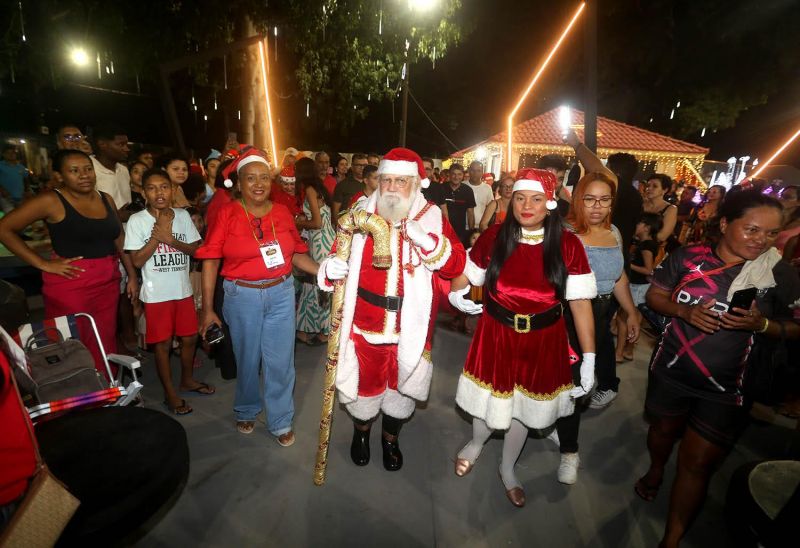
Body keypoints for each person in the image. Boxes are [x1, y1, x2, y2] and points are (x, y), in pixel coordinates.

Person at [636, 190, 800, 548]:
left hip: (729, 389)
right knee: (662, 432)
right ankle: (656, 468)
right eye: (752, 229)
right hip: (671, 371)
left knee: (696, 464)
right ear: (725, 224)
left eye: (772, 234)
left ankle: (671, 540)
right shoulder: (688, 256)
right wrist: (684, 311)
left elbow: (794, 327)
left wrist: (762, 325)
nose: (761, 241)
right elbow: (654, 296)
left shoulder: (780, 273)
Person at [448, 168, 597, 505]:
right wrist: (456, 295)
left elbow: (581, 303)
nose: (527, 206)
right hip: (496, 334)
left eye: (536, 199)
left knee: (524, 408)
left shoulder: (568, 244)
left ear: (550, 204)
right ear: (510, 200)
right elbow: (467, 274)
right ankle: (476, 443)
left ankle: (507, 467)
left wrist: (589, 358)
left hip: (544, 340)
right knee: (487, 399)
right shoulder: (495, 235)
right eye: (520, 198)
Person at [318, 147, 466, 471]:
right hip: (365, 324)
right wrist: (330, 269)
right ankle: (361, 433)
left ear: (415, 183)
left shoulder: (432, 217)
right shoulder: (359, 213)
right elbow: (335, 253)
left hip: (410, 327)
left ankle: (390, 439)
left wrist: (427, 241)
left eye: (401, 180)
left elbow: (456, 263)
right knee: (365, 387)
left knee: (401, 390)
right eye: (387, 180)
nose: (392, 187)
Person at [197, 149, 318, 446]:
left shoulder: (282, 213)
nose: (259, 184)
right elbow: (210, 260)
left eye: (264, 177)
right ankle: (246, 408)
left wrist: (325, 271)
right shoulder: (226, 213)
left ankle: (280, 420)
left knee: (281, 362)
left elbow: (296, 254)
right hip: (242, 296)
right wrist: (208, 309)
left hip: (281, 292)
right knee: (248, 358)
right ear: (239, 183)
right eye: (250, 178)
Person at [0, 150, 137, 373]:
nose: (84, 175)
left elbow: (119, 238)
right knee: (73, 342)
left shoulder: (105, 198)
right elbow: (4, 229)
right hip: (72, 282)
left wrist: (131, 274)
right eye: (74, 170)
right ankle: (76, 390)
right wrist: (43, 264)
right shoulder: (51, 200)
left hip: (108, 279)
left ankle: (105, 386)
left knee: (104, 338)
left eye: (88, 169)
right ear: (60, 175)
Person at [124, 169, 212, 415]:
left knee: (190, 338)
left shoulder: (183, 215)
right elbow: (137, 260)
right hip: (157, 295)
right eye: (151, 188)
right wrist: (158, 236)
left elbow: (197, 251)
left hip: (182, 290)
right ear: (144, 193)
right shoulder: (137, 221)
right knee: (162, 344)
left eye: (164, 187)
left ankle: (187, 380)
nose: (159, 193)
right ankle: (169, 393)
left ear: (173, 190)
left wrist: (171, 240)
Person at [294, 157, 335, 345]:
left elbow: (317, 223)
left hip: (320, 242)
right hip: (325, 239)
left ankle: (325, 331)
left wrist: (298, 223)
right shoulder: (318, 188)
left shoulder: (310, 190)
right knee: (313, 284)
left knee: (319, 285)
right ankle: (305, 329)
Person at [616, 212, 661, 362]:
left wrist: (628, 264)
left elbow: (648, 270)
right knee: (636, 319)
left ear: (647, 227)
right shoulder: (645, 243)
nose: (636, 226)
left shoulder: (647, 246)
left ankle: (619, 352)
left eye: (639, 223)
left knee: (623, 318)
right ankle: (628, 351)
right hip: (641, 286)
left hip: (637, 286)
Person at [606, 152, 643, 269]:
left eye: (606, 169)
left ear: (615, 173)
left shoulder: (617, 190)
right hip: (622, 253)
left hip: (610, 254)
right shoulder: (636, 195)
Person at [90, 125, 132, 219]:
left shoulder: (124, 170)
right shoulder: (88, 169)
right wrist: (115, 216)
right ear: (102, 144)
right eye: (121, 144)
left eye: (126, 144)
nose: (126, 149)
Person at [441, 163, 476, 247]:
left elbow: (470, 213)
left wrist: (471, 232)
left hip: (460, 232)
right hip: (442, 230)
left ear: (463, 175)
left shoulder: (468, 190)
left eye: (459, 174)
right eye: (453, 174)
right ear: (449, 174)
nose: (456, 177)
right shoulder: (441, 188)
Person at [332, 153, 368, 219]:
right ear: (352, 166)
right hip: (347, 223)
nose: (362, 168)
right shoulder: (342, 185)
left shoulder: (372, 183)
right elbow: (335, 211)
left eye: (365, 165)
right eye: (359, 165)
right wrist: (338, 224)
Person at [466, 161, 494, 231]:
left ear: (482, 172)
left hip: (481, 228)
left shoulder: (487, 188)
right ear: (469, 170)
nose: (475, 173)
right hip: (463, 227)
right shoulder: (463, 186)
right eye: (473, 170)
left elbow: (490, 208)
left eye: (478, 171)